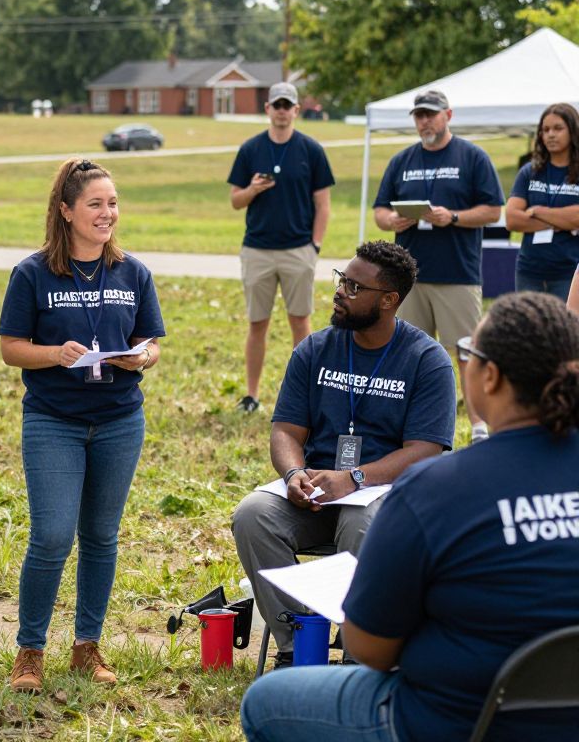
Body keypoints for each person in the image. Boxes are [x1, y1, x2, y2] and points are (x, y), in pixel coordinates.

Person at [240, 291, 579, 742]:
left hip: (454, 719)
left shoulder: (437, 489)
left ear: (490, 377)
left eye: (470, 354)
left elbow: (370, 649)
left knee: (266, 702)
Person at [231, 241, 456, 667]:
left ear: (389, 300)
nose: (340, 292)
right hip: (317, 493)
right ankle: (299, 645)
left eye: (354, 287)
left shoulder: (426, 360)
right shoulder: (315, 349)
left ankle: (359, 655)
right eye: (342, 281)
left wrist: (354, 479)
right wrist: (294, 472)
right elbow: (285, 430)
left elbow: (425, 451)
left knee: (359, 522)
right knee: (253, 514)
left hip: (388, 498)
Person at [0, 158, 166, 692]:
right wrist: (54, 354)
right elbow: (10, 349)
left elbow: (152, 342)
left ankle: (86, 646)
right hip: (54, 421)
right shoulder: (33, 273)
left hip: (119, 421)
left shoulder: (132, 272)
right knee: (50, 536)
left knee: (100, 536)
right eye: (95, 204)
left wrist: (141, 358)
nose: (107, 212)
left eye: (112, 203)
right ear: (66, 211)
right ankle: (30, 651)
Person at [373, 89, 504, 443]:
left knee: (466, 351)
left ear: (449, 115)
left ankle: (479, 427)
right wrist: (392, 221)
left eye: (430, 114)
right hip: (409, 275)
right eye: (418, 115)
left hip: (457, 274)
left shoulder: (472, 157)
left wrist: (455, 216)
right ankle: (401, 425)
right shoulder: (402, 160)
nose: (424, 121)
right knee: (406, 352)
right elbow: (380, 210)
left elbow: (493, 210)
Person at [227, 81, 335, 413]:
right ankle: (252, 395)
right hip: (257, 249)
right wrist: (253, 189)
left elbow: (324, 205)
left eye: (288, 106)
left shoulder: (311, 150)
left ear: (296, 111)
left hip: (297, 250)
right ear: (268, 110)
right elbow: (235, 201)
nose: (282, 112)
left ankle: (305, 398)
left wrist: (314, 246)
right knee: (257, 324)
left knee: (300, 322)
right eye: (277, 106)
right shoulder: (250, 149)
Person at [506, 103, 579, 300]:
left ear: (573, 131)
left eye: (558, 128)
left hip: (570, 273)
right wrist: (562, 220)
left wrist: (537, 211)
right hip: (529, 271)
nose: (551, 135)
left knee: (567, 330)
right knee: (530, 330)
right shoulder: (530, 172)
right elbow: (512, 219)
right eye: (545, 130)